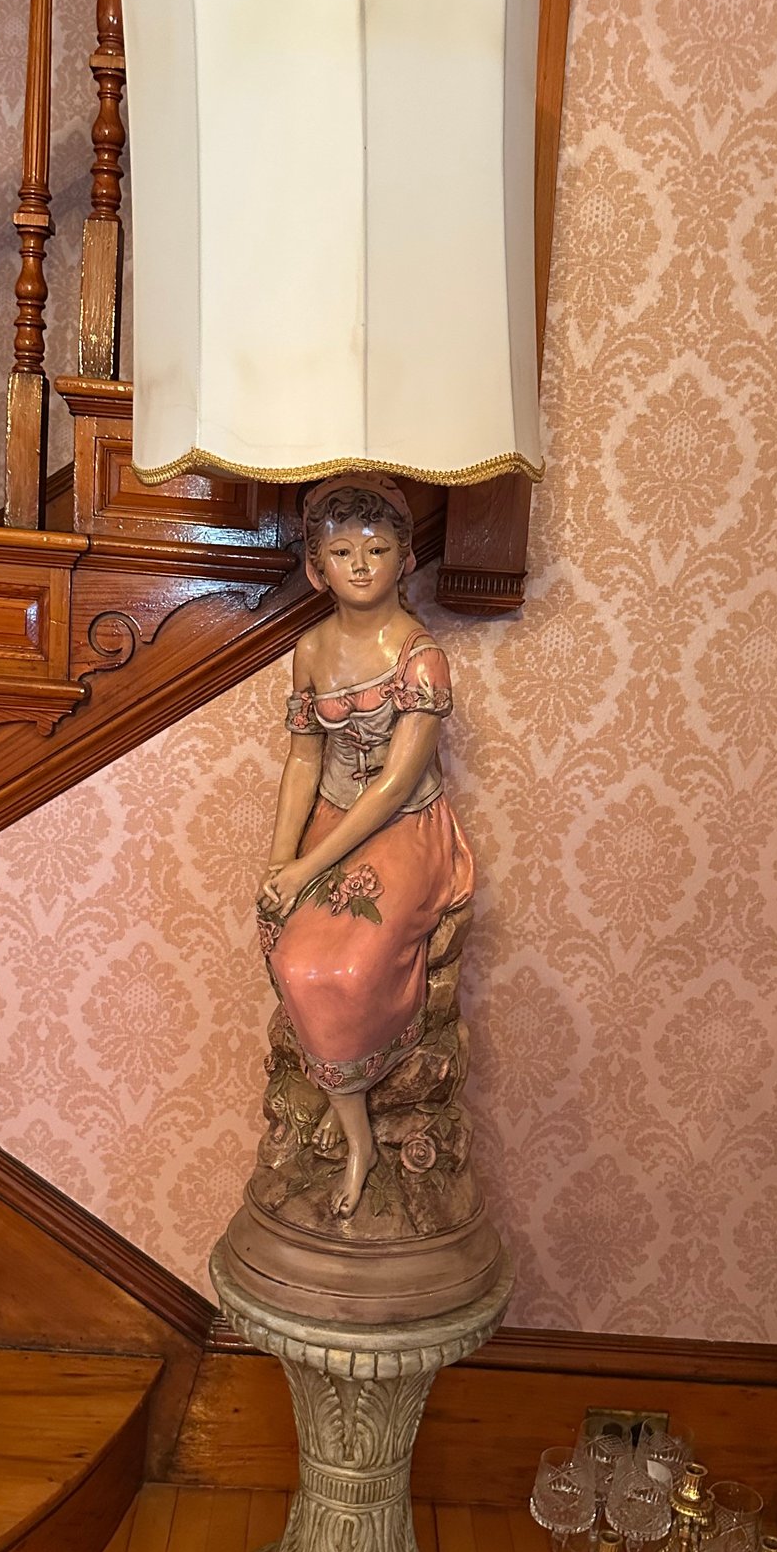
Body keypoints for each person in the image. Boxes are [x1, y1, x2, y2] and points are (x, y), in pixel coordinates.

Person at [256, 476, 475, 1220]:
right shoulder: (311, 649)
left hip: (405, 828)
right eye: (341, 550)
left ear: (404, 560)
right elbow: (303, 761)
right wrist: (279, 863)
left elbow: (391, 788)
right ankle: (350, 1117)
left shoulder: (420, 657)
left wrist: (304, 870)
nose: (359, 564)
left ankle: (357, 1137)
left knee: (343, 968)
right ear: (316, 566)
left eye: (376, 550)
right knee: (289, 949)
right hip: (331, 823)